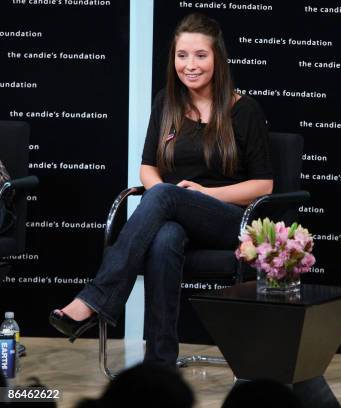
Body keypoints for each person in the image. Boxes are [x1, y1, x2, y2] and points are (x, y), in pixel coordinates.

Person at [49, 12, 273, 366]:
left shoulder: (243, 110)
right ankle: (160, 363)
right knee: (165, 235)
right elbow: (148, 168)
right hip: (176, 217)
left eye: (201, 55)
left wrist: (200, 195)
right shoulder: (166, 103)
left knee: (166, 194)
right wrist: (165, 195)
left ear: (218, 59)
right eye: (182, 55)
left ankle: (97, 298)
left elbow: (264, 185)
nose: (190, 65)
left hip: (230, 220)